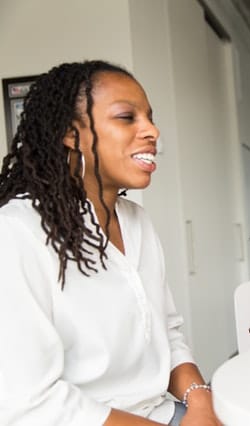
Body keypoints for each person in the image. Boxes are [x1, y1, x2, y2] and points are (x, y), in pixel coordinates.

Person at [0, 60, 221, 425]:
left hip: (164, 413)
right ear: (72, 134)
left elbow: (168, 332)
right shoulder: (16, 232)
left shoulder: (138, 223)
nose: (152, 130)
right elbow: (29, 403)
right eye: (126, 117)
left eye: (150, 117)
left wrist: (201, 404)